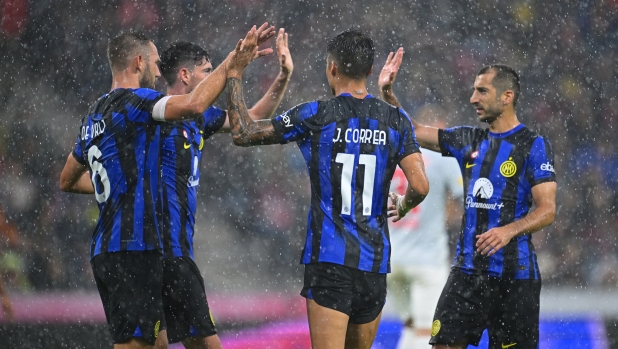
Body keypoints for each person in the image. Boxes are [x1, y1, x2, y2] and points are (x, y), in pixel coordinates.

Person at [59, 26, 271, 349]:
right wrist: (231, 65)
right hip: (132, 247)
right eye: (156, 63)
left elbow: (67, 180)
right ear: (139, 62)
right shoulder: (137, 102)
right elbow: (193, 105)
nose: (159, 72)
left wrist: (117, 185)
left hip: (112, 247)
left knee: (155, 344)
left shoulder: (93, 115)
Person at [224, 29, 430, 349]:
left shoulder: (316, 114)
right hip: (373, 263)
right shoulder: (396, 120)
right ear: (370, 71)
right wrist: (402, 205)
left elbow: (243, 132)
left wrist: (235, 72)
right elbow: (420, 185)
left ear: (332, 68)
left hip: (330, 260)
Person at [379, 48, 557, 349]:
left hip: (515, 277)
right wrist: (388, 94)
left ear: (507, 96)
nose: (473, 98)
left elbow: (548, 210)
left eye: (482, 91)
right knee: (441, 344)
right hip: (467, 273)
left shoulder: (534, 145)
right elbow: (411, 130)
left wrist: (508, 230)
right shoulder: (469, 140)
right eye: (474, 91)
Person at [156, 28, 293, 349]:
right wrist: (234, 66)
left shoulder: (199, 119)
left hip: (175, 251)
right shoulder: (159, 113)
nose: (213, 77)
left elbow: (253, 118)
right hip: (167, 251)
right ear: (185, 75)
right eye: (208, 71)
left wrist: (283, 76)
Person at [382, 105, 463, 349]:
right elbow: (465, 198)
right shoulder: (441, 156)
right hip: (427, 260)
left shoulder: (393, 151)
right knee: (427, 332)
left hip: (392, 258)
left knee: (411, 327)